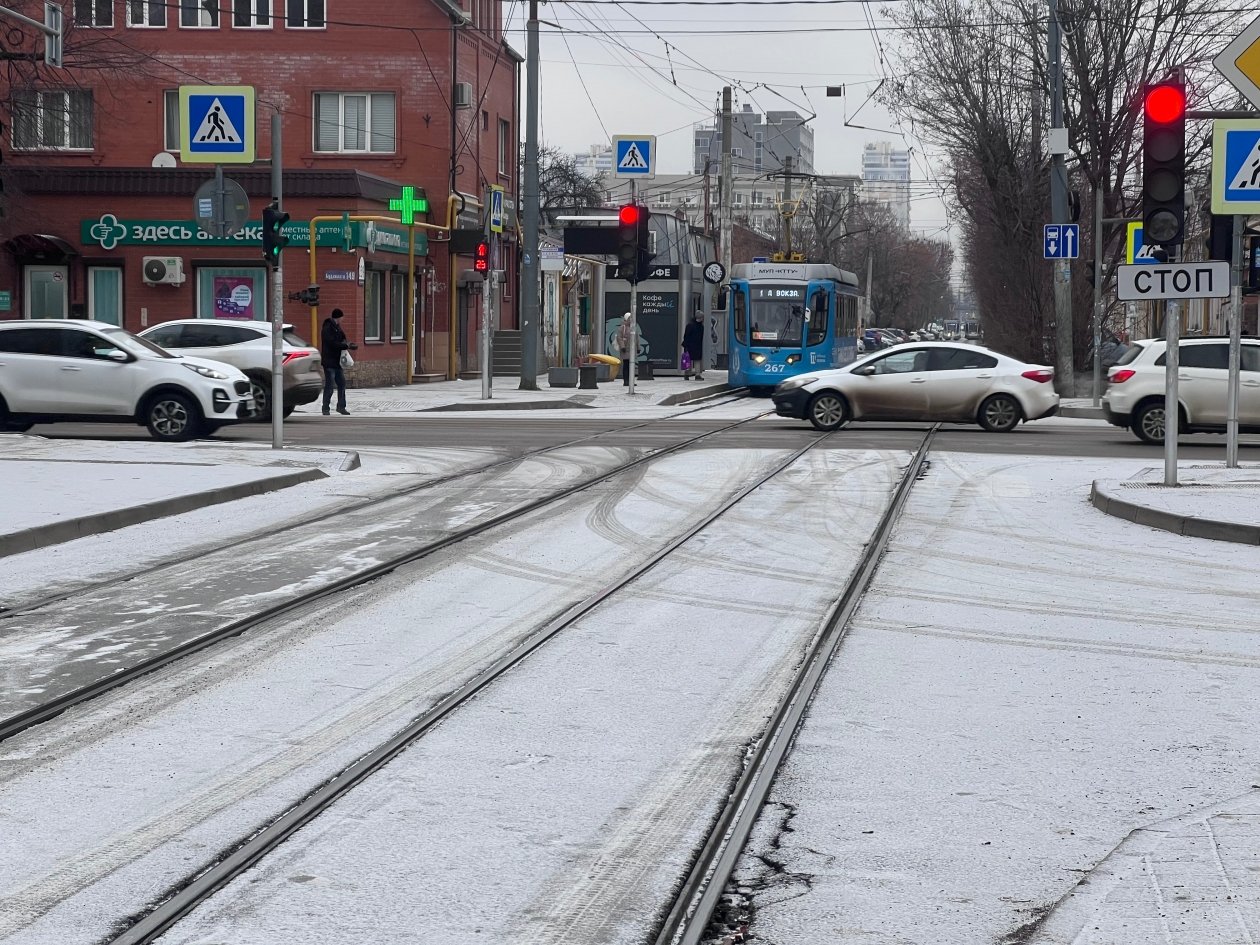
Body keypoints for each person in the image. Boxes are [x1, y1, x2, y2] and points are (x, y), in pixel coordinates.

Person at [320, 308, 357, 415]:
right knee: (330, 385)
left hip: (337, 362)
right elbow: (332, 343)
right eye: (342, 317)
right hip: (329, 361)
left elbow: (342, 338)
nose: (342, 319)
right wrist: (345, 345)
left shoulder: (337, 327)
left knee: (341, 384)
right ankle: (325, 408)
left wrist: (348, 344)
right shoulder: (327, 328)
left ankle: (341, 407)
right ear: (338, 317)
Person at [682, 311, 705, 380]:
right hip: (696, 345)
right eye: (702, 317)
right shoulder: (701, 326)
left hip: (690, 345)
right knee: (697, 360)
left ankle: (687, 374)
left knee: (688, 360)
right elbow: (700, 337)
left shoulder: (690, 325)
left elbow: (686, 336)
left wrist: (686, 344)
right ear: (700, 318)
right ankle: (697, 375)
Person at [616, 314, 633, 387]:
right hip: (625, 349)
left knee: (631, 365)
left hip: (632, 349)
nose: (631, 319)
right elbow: (619, 338)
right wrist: (622, 347)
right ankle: (626, 381)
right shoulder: (622, 328)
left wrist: (638, 347)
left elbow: (637, 338)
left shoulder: (633, 327)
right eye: (629, 318)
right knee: (626, 365)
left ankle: (631, 381)